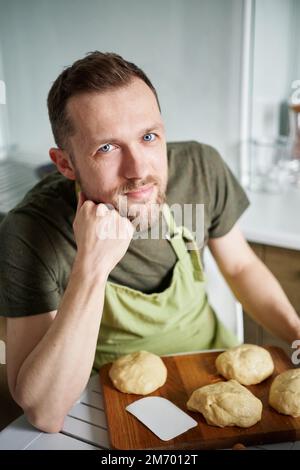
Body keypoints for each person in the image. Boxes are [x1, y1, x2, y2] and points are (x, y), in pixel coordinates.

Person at [0, 51, 299, 433]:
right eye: (107, 148)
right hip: (106, 403)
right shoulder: (30, 232)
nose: (139, 170)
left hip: (211, 372)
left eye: (148, 136)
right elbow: (44, 412)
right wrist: (91, 266)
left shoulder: (200, 170)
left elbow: (241, 266)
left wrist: (295, 332)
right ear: (65, 164)